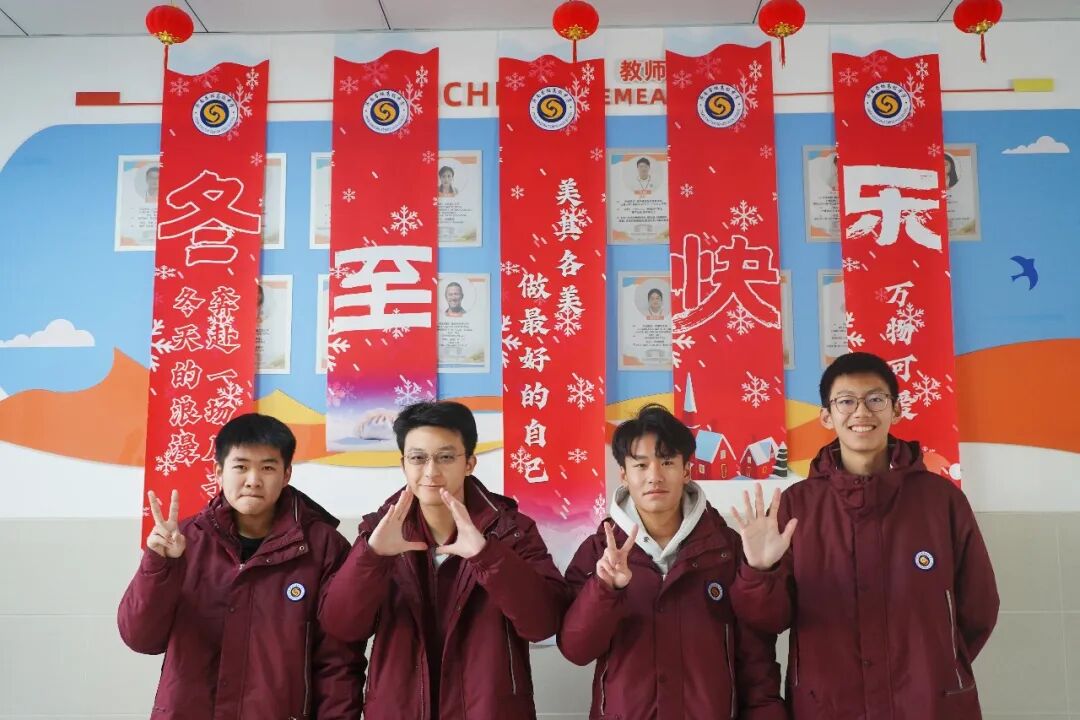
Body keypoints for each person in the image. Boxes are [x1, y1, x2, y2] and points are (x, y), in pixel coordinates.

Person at [730, 352, 999, 720]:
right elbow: (767, 622)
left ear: (896, 409)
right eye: (846, 401)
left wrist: (935, 669)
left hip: (929, 706)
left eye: (875, 399)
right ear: (826, 416)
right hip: (828, 706)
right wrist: (761, 573)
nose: (861, 412)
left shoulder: (941, 500)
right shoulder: (796, 506)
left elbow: (978, 607)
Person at [319, 401, 569, 720]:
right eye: (418, 458)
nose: (431, 472)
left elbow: (543, 624)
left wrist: (488, 556)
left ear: (469, 463)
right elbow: (341, 626)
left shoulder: (512, 531)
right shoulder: (379, 531)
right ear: (403, 464)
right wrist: (373, 558)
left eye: (446, 457)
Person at [117, 413, 364, 719]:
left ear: (286, 474)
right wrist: (159, 565)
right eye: (241, 467)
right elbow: (141, 638)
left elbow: (338, 662)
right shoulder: (184, 541)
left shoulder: (324, 547)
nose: (253, 480)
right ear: (219, 472)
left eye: (268, 467)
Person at [559, 404, 785, 720]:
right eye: (641, 465)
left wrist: (761, 572)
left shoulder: (728, 548)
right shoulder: (599, 551)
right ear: (624, 475)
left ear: (686, 471)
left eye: (667, 462)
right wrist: (605, 590)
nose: (655, 476)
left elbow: (756, 658)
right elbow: (576, 650)